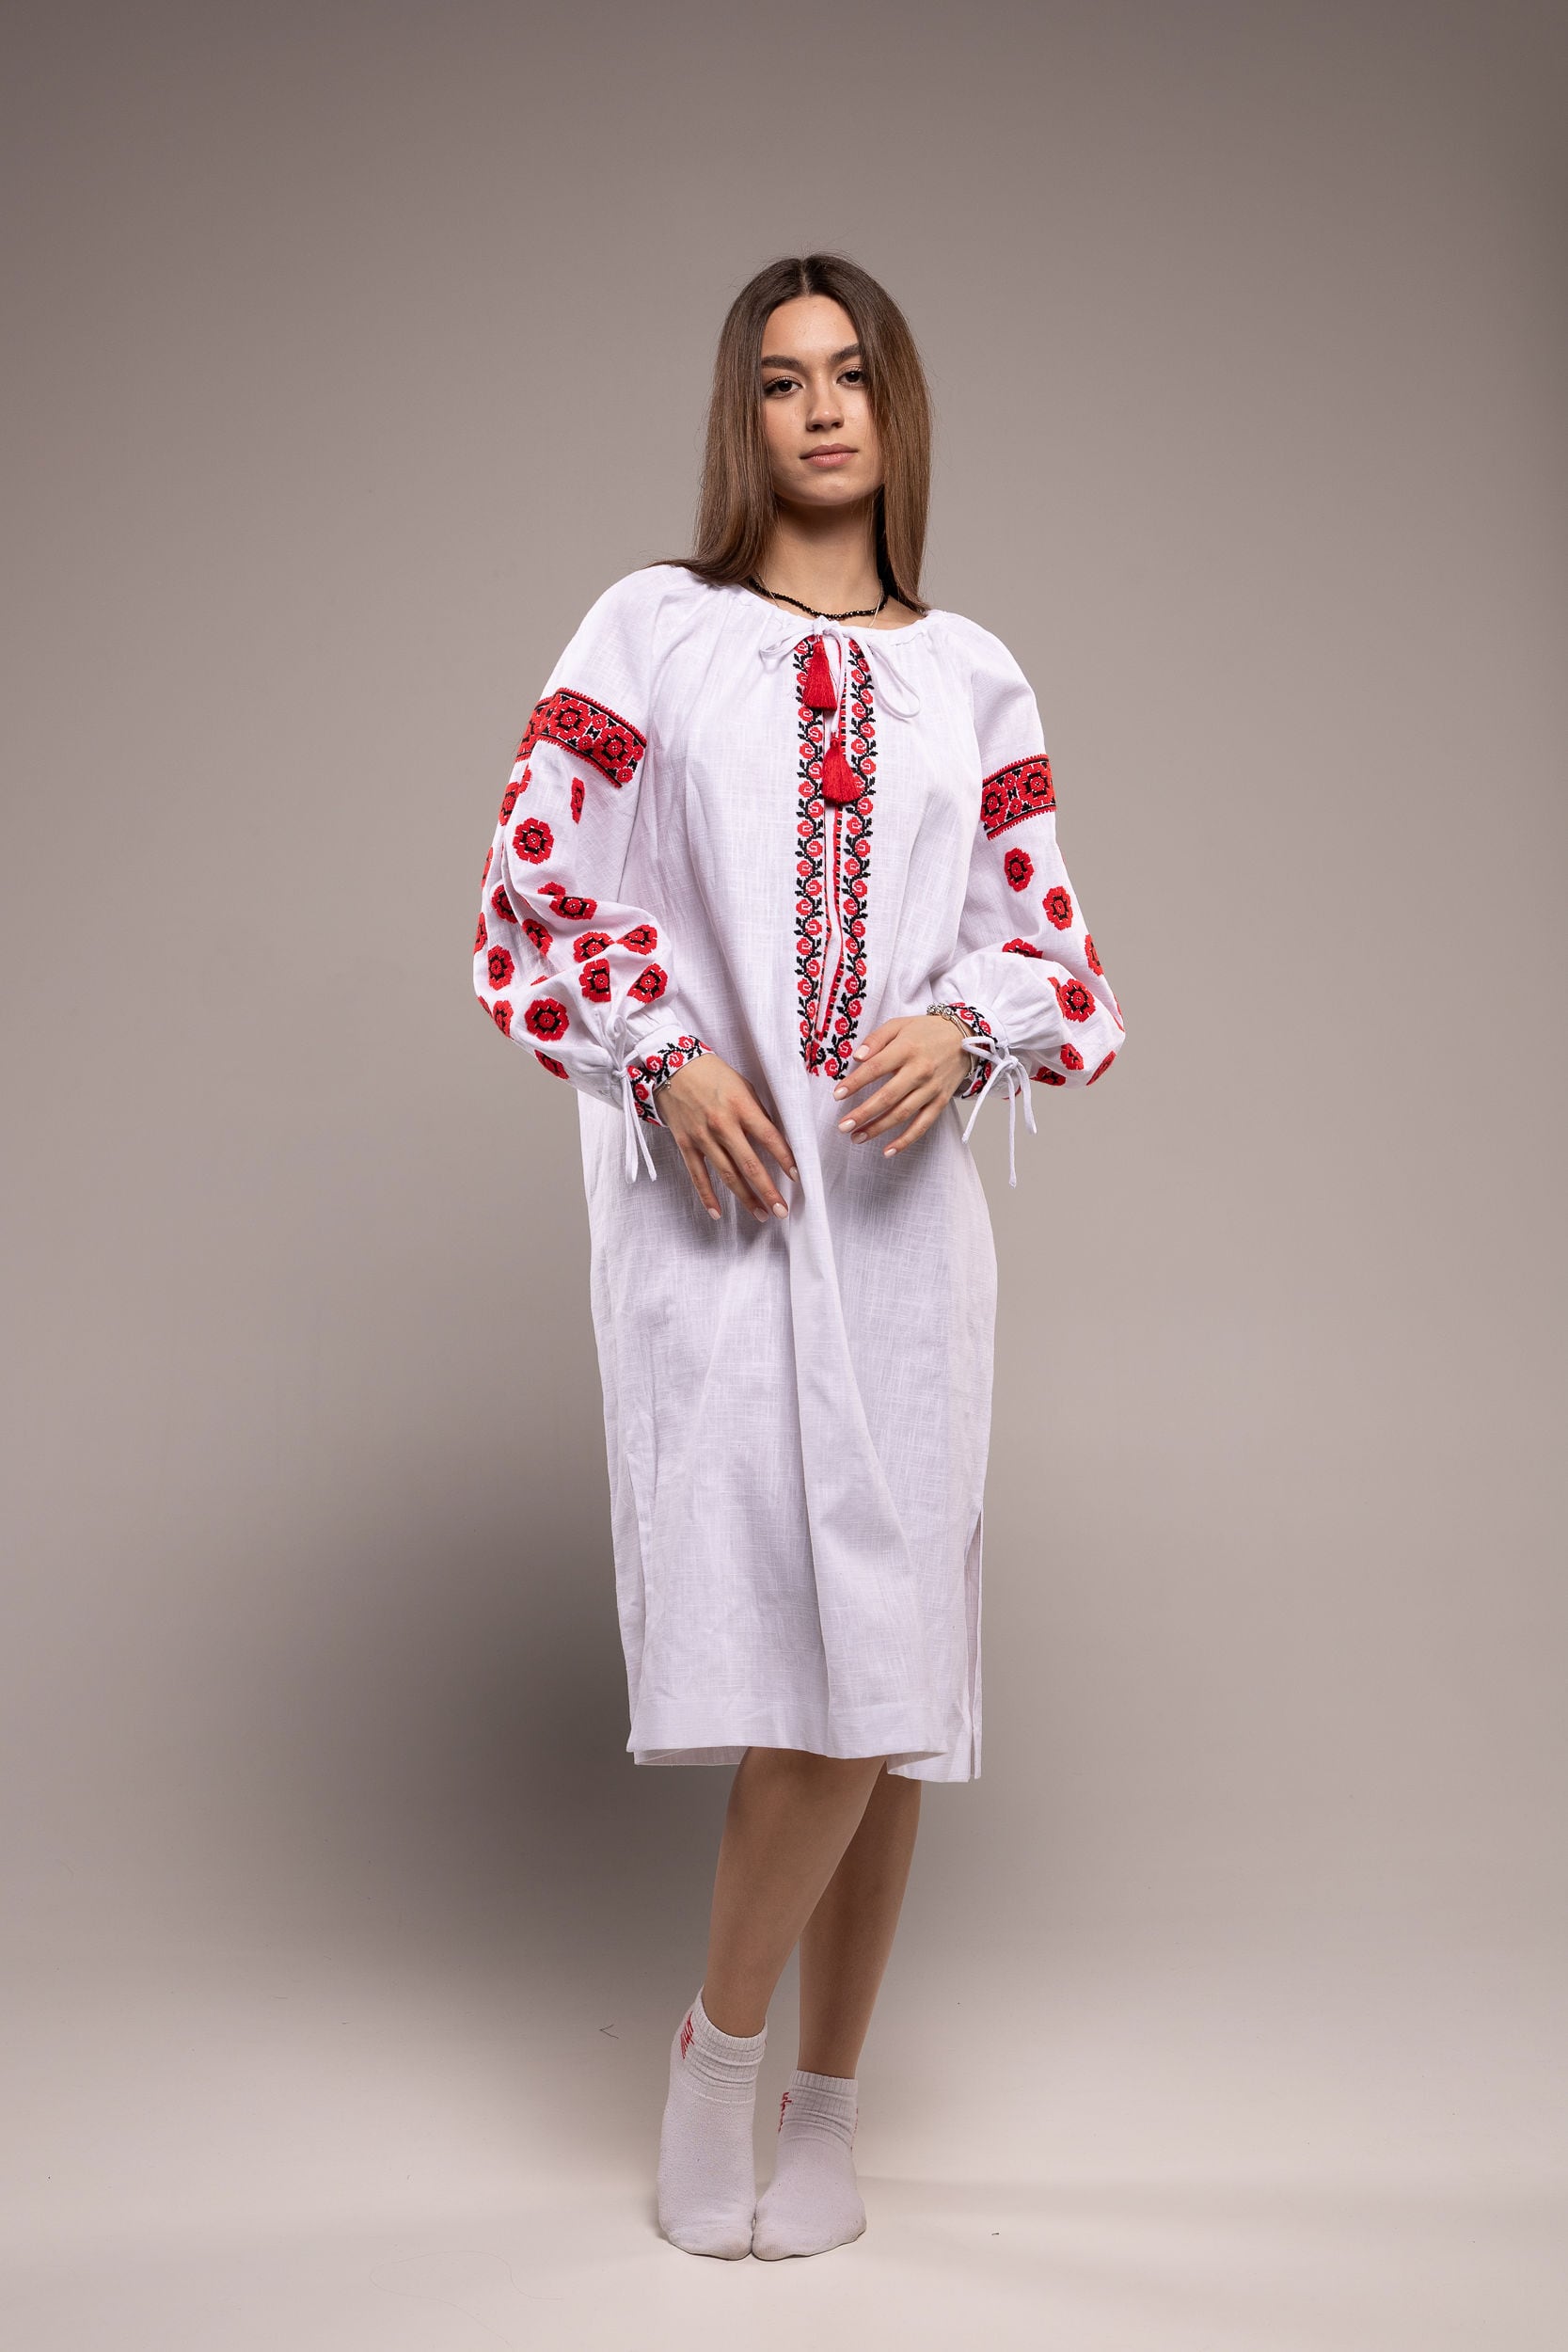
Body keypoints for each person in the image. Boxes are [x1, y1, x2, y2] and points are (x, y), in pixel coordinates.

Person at [471, 252, 1126, 2260]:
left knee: (890, 1680)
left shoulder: (975, 673)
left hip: (905, 1232)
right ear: (740, 415)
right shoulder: (652, 631)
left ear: (897, 407)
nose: (822, 409)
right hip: (726, 1221)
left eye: (852, 374)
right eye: (781, 379)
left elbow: (1060, 955)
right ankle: (715, 2054)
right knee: (811, 1666)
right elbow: (532, 888)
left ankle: (820, 2107)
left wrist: (969, 1025)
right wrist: (663, 1057)